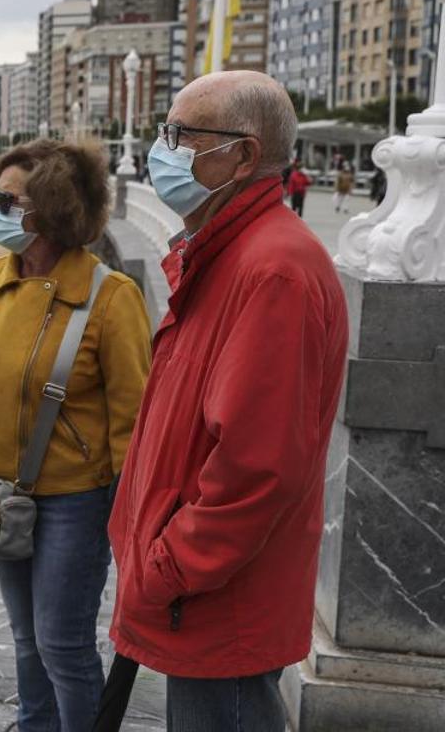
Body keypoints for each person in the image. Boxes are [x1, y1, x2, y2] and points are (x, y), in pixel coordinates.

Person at [108, 71, 348, 731]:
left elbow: (256, 466)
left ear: (243, 155)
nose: (163, 150)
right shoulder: (226, 254)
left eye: (181, 135)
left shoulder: (273, 271)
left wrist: (168, 567)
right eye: (165, 132)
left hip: (218, 599)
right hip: (198, 594)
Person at [0, 139, 152, 732]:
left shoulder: (111, 297)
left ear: (53, 210)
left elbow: (133, 417)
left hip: (76, 499)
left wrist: (132, 517)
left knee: (62, 643)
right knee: (27, 639)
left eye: (8, 200)